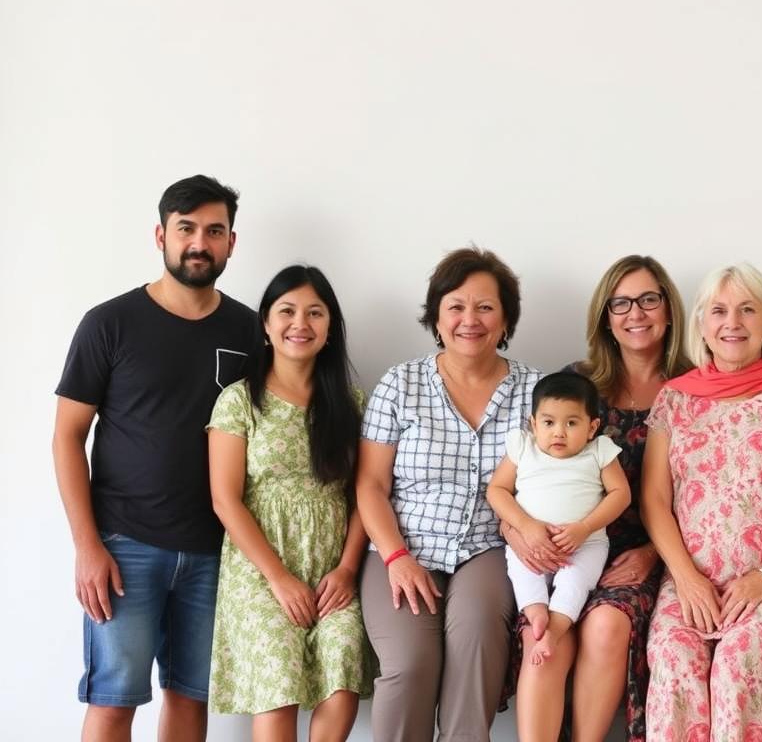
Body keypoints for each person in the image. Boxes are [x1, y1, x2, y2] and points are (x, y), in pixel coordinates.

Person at [52, 175, 256, 742]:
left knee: (191, 701)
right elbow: (68, 436)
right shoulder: (109, 323)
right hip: (124, 547)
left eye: (214, 231)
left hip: (216, 552)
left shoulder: (248, 330)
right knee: (114, 702)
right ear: (160, 235)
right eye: (186, 229)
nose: (199, 242)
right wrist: (87, 546)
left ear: (231, 243)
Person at [642, 262, 762, 740]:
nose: (733, 322)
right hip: (693, 580)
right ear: (703, 327)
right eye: (720, 311)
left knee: (738, 665)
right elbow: (653, 499)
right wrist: (686, 579)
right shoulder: (675, 400)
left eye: (747, 310)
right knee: (675, 660)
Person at [356, 247, 543, 742]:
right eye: (456, 306)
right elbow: (371, 485)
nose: (470, 320)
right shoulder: (400, 384)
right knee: (410, 666)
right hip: (403, 545)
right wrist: (396, 556)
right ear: (436, 317)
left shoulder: (536, 392)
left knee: (476, 648)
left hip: (489, 546)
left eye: (485, 307)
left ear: (505, 320)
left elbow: (547, 482)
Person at [503, 254, 690, 741]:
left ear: (668, 309)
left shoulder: (693, 389)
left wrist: (653, 553)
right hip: (555, 543)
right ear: (606, 317)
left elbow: (707, 496)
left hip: (648, 552)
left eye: (649, 300)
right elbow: (527, 475)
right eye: (621, 303)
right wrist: (518, 529)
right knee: (543, 632)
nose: (636, 313)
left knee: (606, 624)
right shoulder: (576, 386)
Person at [206, 266, 374, 741]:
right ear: (265, 324)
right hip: (260, 568)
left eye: (315, 313)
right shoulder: (239, 400)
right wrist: (279, 579)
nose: (300, 323)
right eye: (287, 311)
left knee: (341, 677)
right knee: (278, 685)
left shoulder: (351, 403)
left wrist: (345, 569)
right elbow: (225, 499)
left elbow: (366, 494)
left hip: (332, 568)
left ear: (329, 330)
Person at [487, 373, 630, 690]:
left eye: (571, 423)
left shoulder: (599, 451)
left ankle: (552, 631)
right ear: (533, 424)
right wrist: (526, 526)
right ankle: (537, 614)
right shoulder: (523, 447)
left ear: (592, 427)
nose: (559, 433)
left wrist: (585, 527)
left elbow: (621, 494)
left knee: (574, 583)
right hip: (529, 544)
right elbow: (497, 490)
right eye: (549, 422)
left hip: (585, 545)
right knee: (523, 573)